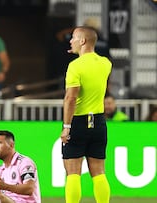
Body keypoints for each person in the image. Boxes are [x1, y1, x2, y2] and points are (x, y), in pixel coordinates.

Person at [60, 26, 112, 203]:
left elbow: (71, 98)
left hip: (78, 122)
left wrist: (66, 127)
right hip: (98, 121)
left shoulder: (75, 66)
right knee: (99, 172)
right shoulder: (106, 63)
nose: (70, 41)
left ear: (82, 41)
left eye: (73, 38)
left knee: (73, 172)